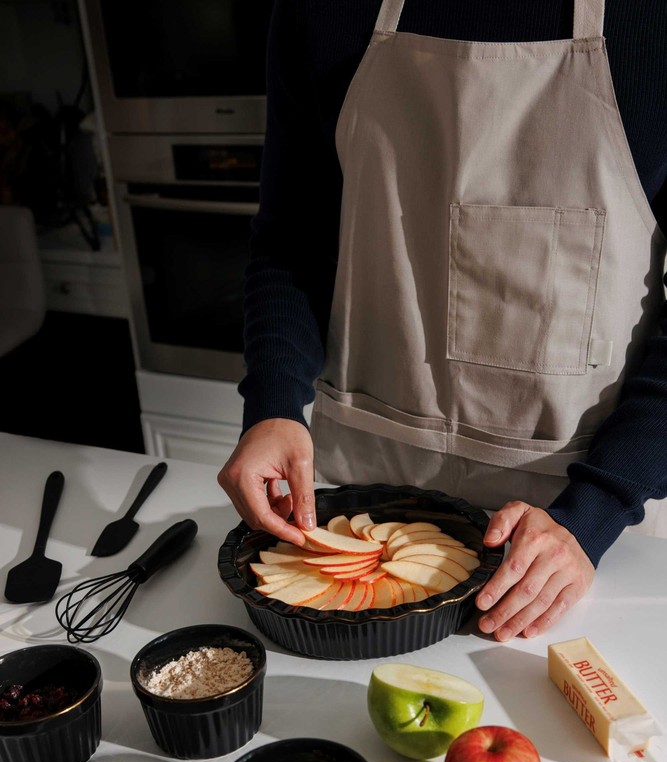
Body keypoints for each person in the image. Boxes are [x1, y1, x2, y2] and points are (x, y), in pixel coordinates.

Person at [218, 0, 667, 642]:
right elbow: (293, 238)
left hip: (572, 540)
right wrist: (271, 406)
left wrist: (598, 509)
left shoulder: (651, 23)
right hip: (359, 514)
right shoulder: (318, 12)